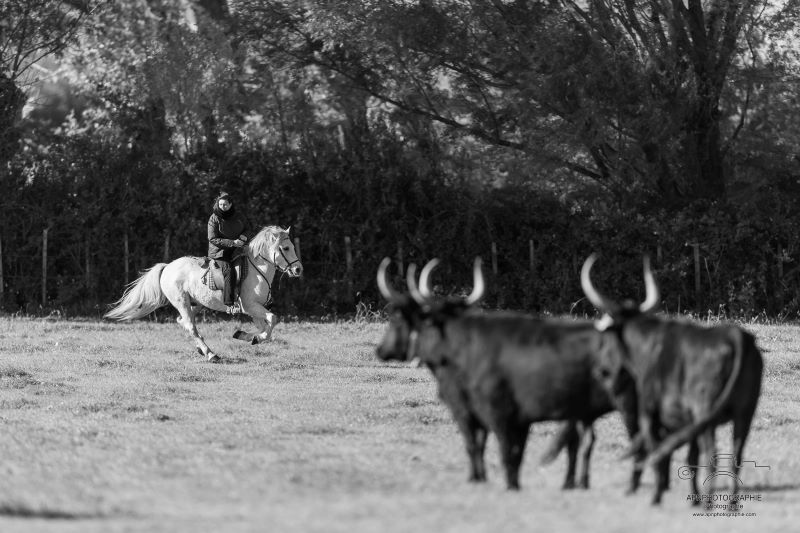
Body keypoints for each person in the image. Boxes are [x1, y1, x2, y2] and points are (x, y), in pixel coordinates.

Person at [207, 192, 249, 314]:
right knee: (229, 271)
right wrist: (232, 242)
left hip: (238, 250)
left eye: (225, 204)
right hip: (219, 252)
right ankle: (230, 304)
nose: (222, 207)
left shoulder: (239, 216)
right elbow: (212, 238)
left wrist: (244, 237)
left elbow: (248, 228)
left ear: (230, 204)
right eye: (220, 204)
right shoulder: (214, 218)